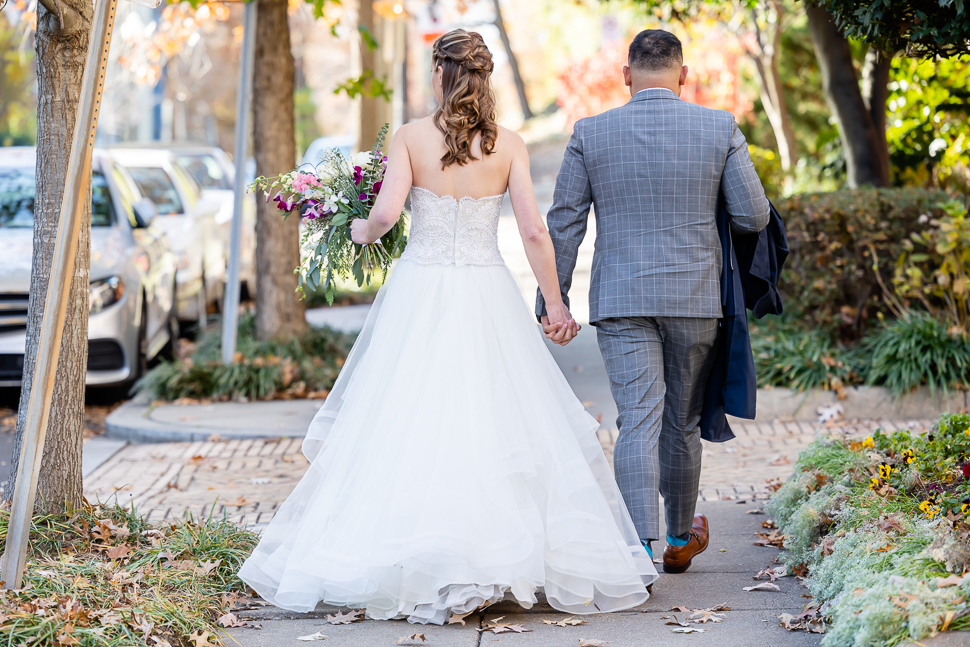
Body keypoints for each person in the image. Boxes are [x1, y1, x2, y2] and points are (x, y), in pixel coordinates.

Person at [238, 28, 657, 625]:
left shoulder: (410, 137)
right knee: (493, 418)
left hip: (422, 292)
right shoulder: (507, 145)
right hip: (486, 292)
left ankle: (420, 557)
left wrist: (358, 231)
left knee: (412, 418)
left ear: (442, 73)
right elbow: (535, 233)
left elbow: (384, 216)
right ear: (484, 78)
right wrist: (555, 303)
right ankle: (498, 558)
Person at [537, 29, 769, 574]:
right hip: (694, 295)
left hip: (621, 296)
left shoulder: (590, 133)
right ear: (683, 74)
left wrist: (555, 299)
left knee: (637, 420)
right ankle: (678, 538)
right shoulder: (719, 127)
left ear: (626, 74)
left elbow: (564, 222)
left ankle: (638, 553)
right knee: (682, 424)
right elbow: (753, 216)